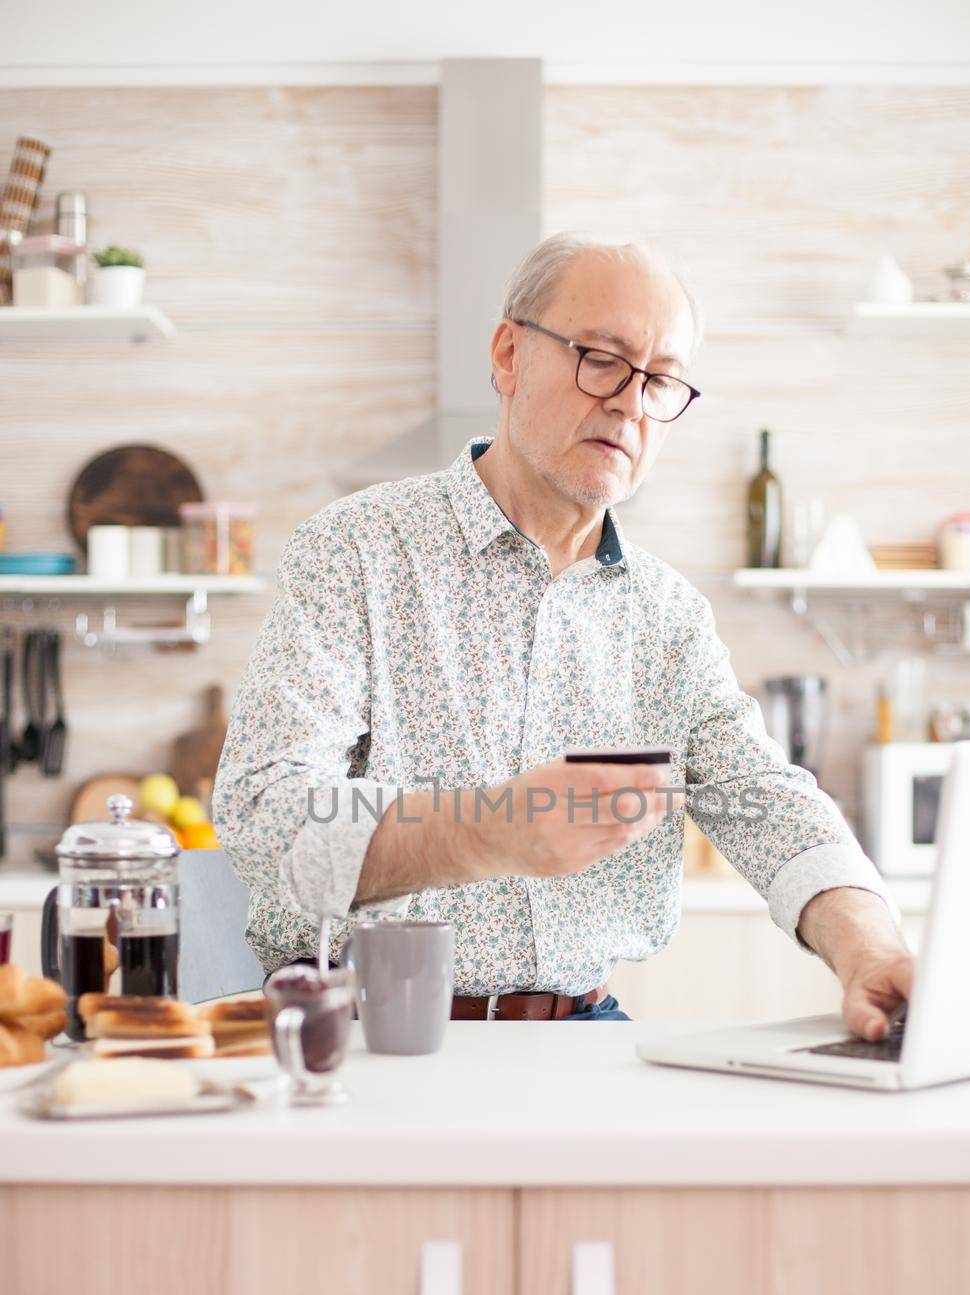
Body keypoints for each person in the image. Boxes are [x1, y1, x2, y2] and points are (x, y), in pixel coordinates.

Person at [214, 232, 913, 1029]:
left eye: (661, 382)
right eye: (601, 358)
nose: (627, 401)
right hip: (363, 1030)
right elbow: (264, 819)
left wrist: (870, 950)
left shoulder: (666, 614)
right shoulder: (354, 550)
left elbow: (768, 803)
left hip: (584, 1033)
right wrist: (481, 831)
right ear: (508, 355)